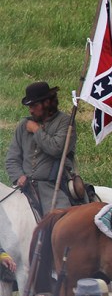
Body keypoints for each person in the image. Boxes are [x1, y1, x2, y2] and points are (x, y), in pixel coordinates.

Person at [5, 81, 81, 214]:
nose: (31, 110)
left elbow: (57, 149)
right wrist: (18, 176)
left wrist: (36, 131)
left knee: (60, 224)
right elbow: (12, 158)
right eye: (30, 106)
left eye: (34, 105)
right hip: (25, 188)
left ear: (47, 103)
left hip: (53, 187)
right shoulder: (24, 125)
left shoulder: (65, 122)